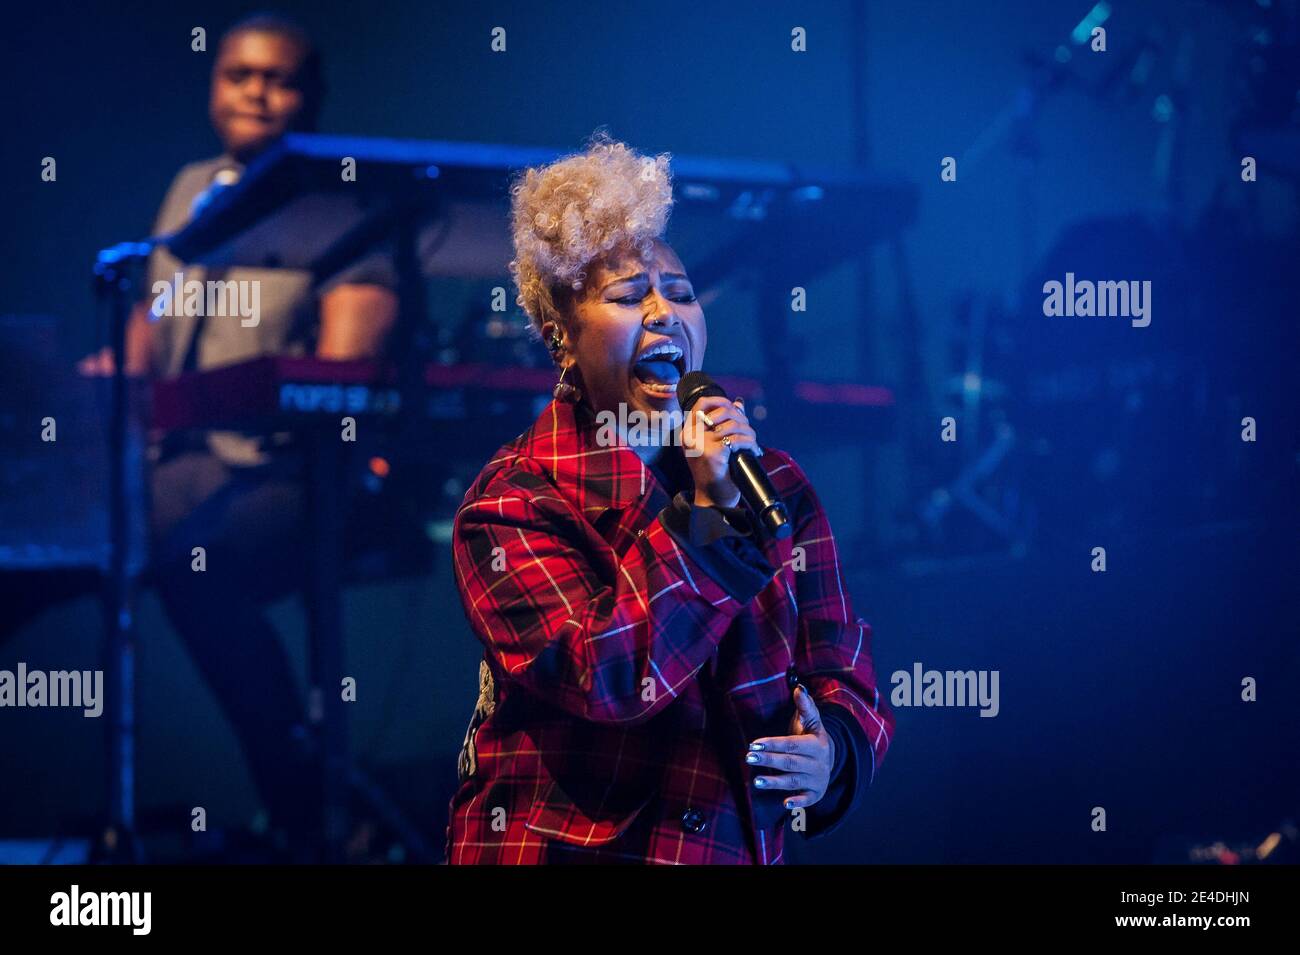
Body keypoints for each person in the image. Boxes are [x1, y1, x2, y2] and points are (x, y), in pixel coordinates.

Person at [446, 136, 895, 864]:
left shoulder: (772, 481)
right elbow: (609, 676)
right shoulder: (510, 503)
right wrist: (707, 516)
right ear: (561, 339)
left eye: (682, 294)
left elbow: (843, 663)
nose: (665, 312)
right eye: (628, 297)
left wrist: (832, 749)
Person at [82, 14, 399, 858]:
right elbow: (141, 339)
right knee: (35, 539)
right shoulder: (193, 184)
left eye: (280, 77)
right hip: (172, 465)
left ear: (311, 96)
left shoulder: (339, 195)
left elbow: (343, 373)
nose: (256, 91)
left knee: (199, 566)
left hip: (286, 474)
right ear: (214, 83)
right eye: (238, 74)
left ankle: (311, 810)